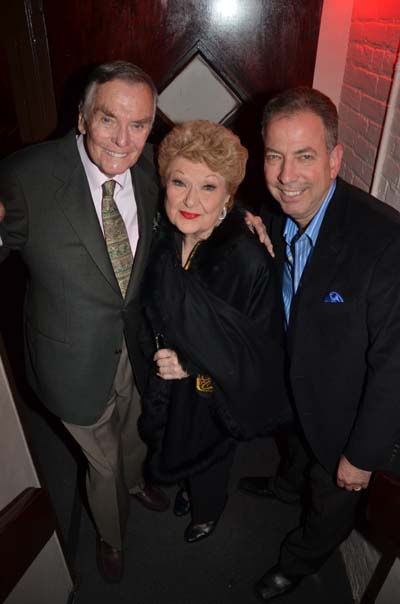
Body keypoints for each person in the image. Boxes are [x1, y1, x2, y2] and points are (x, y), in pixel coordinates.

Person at [0, 61, 170, 583]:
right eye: (108, 120)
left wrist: (246, 220)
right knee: (103, 464)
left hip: (135, 351)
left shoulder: (151, 175)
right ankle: (111, 536)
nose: (124, 139)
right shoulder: (25, 177)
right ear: (81, 118)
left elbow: (198, 211)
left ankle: (138, 479)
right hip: (69, 357)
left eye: (139, 124)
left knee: (135, 433)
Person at [238, 87, 400, 602]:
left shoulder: (384, 243)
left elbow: (395, 365)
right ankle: (286, 485)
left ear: (334, 159)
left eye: (304, 156)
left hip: (344, 420)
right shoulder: (278, 210)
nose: (287, 175)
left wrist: (362, 455)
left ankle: (298, 562)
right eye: (274, 155)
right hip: (295, 390)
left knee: (329, 501)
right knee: (296, 456)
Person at [138, 120, 290, 544]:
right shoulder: (163, 235)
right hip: (164, 392)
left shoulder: (246, 261)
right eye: (179, 182)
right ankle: (188, 486)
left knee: (208, 463)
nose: (189, 200)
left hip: (212, 396)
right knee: (175, 448)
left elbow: (259, 356)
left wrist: (191, 366)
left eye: (208, 187)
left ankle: (209, 510)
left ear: (228, 195)